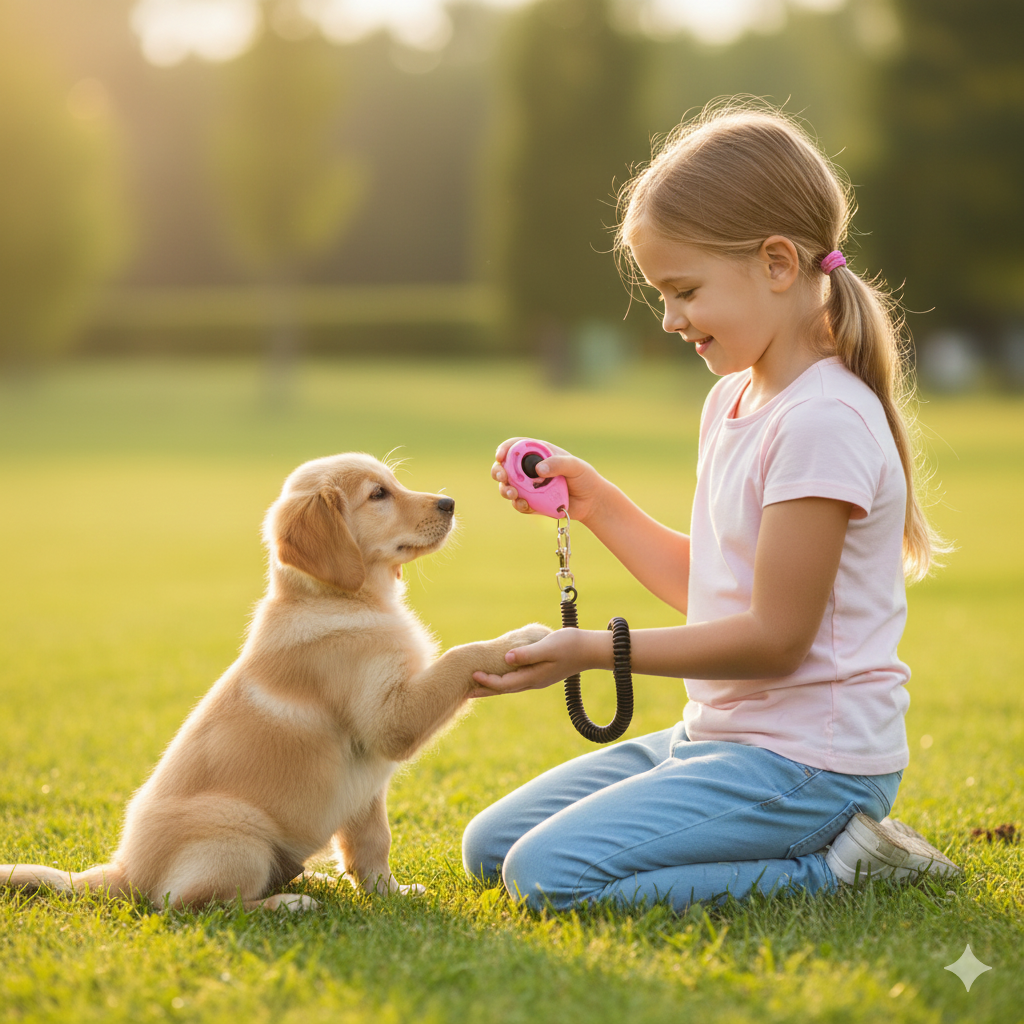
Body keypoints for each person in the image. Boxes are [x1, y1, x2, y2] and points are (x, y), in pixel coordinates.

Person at [462, 101, 960, 913]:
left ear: (776, 263)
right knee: (489, 850)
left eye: (684, 290)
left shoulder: (822, 421)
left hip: (812, 764)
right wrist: (598, 504)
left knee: (546, 877)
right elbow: (717, 586)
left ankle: (839, 867)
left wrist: (593, 649)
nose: (669, 318)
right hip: (722, 741)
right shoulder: (733, 398)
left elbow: (774, 639)